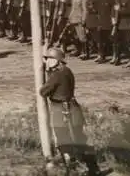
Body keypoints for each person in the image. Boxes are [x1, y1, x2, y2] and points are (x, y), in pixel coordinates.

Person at [40, 48, 102, 176]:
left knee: (64, 142)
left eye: (49, 59)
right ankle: (92, 168)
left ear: (56, 61)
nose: (47, 62)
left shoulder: (57, 74)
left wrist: (47, 73)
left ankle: (74, 170)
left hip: (62, 111)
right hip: (72, 109)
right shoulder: (66, 71)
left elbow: (43, 92)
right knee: (80, 140)